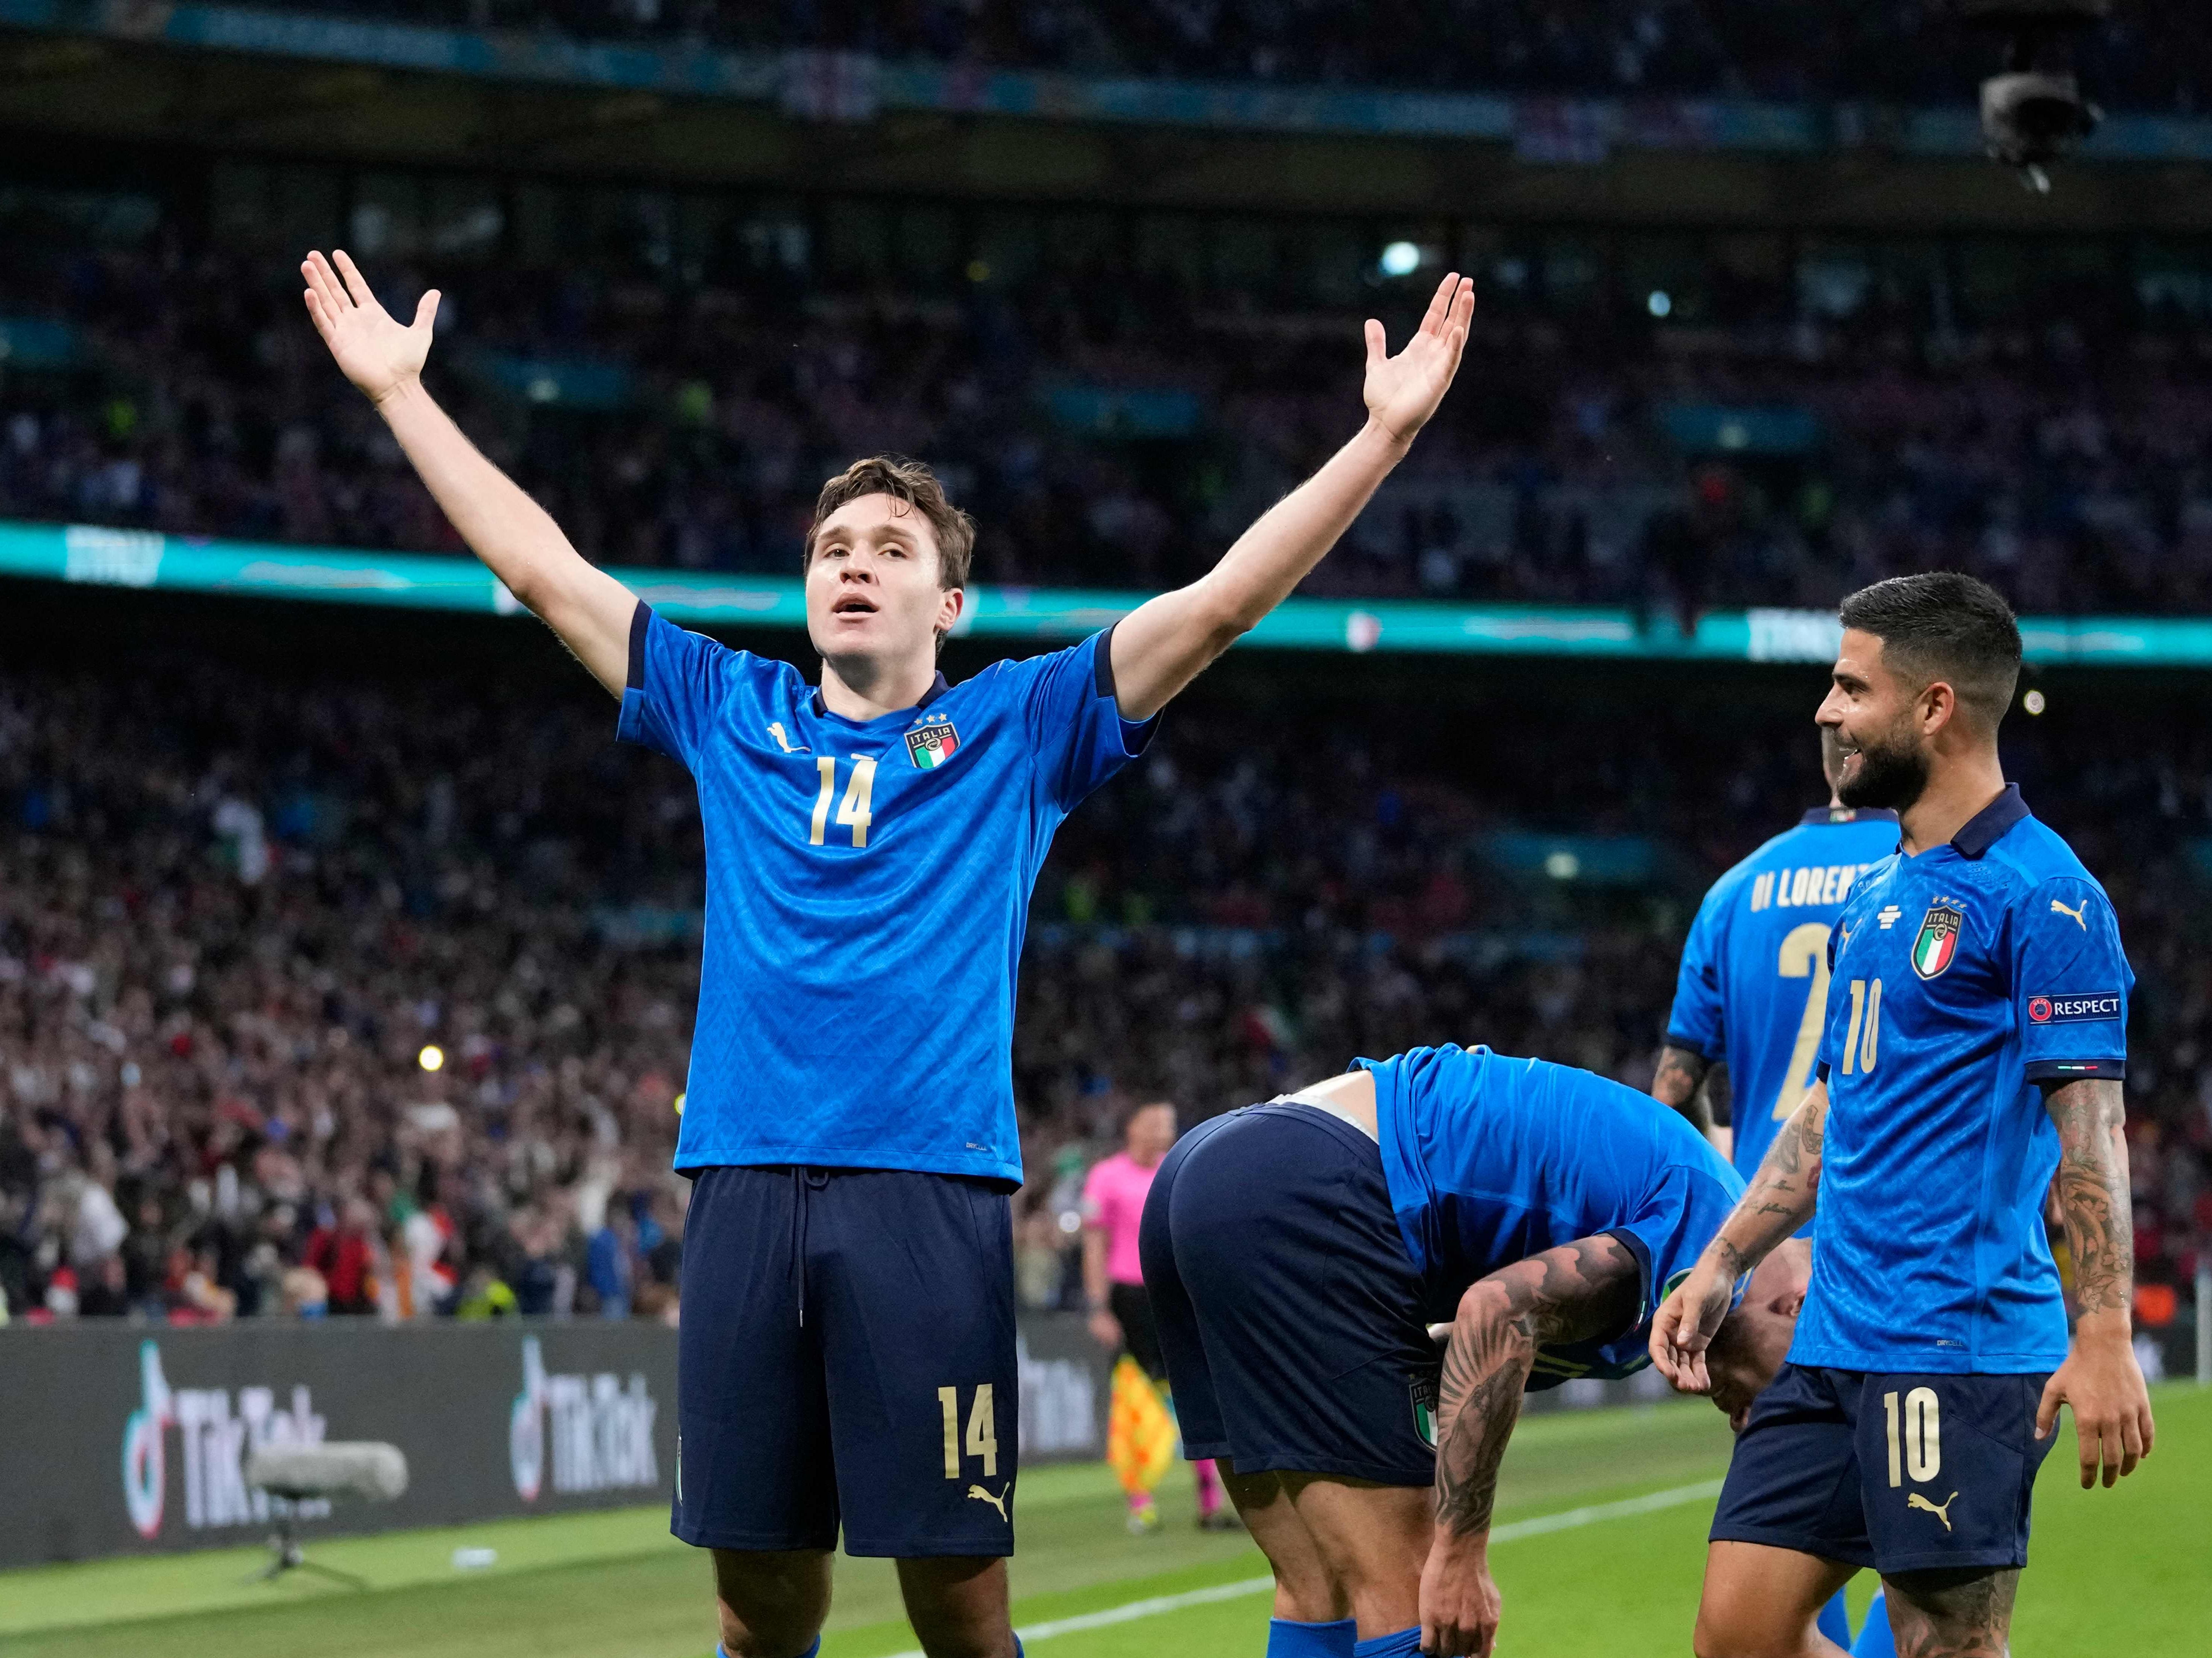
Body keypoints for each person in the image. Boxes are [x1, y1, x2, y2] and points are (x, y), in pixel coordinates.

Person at [300, 248, 1476, 1658]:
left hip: (925, 1195)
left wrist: (1381, 435)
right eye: (830, 548)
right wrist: (400, 398)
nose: (853, 564)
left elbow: (1220, 601)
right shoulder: (722, 702)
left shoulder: (1022, 724)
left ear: (949, 605)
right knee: (756, 1602)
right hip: (740, 1185)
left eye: (890, 549)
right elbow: (538, 566)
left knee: (957, 1605)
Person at [1652, 573, 2156, 1658]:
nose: (1825, 712)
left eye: (1849, 687)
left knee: (1942, 1643)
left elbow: (2092, 1127)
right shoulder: (1881, 895)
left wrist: (2105, 1330)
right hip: (1834, 1338)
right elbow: (1839, 1110)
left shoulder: (2045, 896)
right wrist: (1725, 1257)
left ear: (1933, 706)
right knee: (1733, 1637)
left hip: (1956, 1348)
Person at [1139, 1043, 1749, 1658]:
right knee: (1414, 1597)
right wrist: (1459, 1549)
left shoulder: (1667, 1277)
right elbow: (1496, 1310)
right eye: (1789, 1396)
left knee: (1321, 1592)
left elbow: (1435, 1358)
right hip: (1307, 1184)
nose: (1745, 1417)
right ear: (1795, 1307)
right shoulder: (1717, 1233)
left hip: (1213, 1175)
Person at [1652, 731, 1899, 1653]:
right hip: (1888, 1234)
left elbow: (1674, 1094)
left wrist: (1722, 1193)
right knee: (1923, 1515)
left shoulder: (1732, 890)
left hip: (1765, 1252)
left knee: (1784, 1515)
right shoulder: (1924, 866)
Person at [1081, 1100, 1233, 1534]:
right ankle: (1141, 1503)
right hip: (1129, 1298)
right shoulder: (1106, 1176)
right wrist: (1098, 1307)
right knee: (1133, 1403)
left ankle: (1210, 1502)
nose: (1163, 1133)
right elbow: (1095, 1244)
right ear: (1132, 1126)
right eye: (1155, 1124)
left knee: (1196, 1393)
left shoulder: (1180, 1168)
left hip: (1175, 1290)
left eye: (1169, 1125)